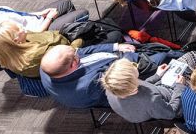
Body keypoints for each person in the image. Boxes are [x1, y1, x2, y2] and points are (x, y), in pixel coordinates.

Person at [39, 42, 171, 109]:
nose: (77, 51)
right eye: (75, 54)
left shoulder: (48, 67)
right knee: (163, 57)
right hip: (124, 80)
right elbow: (121, 74)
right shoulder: (89, 86)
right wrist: (130, 56)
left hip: (114, 60)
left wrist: (115, 46)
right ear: (73, 64)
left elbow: (82, 51)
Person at [0, 21, 81, 78]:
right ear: (15, 41)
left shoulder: (9, 53)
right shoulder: (36, 55)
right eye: (18, 29)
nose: (21, 27)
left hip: (60, 39)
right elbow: (69, 53)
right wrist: (80, 37)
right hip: (69, 51)